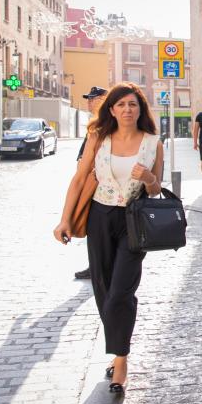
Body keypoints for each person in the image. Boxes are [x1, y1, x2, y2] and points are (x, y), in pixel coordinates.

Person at [53, 82, 163, 394]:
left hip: (134, 221)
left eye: (133, 104)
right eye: (121, 105)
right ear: (111, 110)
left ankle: (121, 360)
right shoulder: (98, 138)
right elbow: (78, 179)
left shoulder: (153, 142)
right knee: (102, 289)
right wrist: (64, 219)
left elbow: (156, 190)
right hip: (100, 218)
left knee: (120, 293)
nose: (127, 110)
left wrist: (150, 178)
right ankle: (117, 351)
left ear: (140, 109)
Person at [74, 86, 108, 280]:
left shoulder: (104, 123)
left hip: (97, 184)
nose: (89, 102)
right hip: (89, 180)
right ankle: (95, 265)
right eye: (88, 99)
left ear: (103, 99)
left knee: (95, 227)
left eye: (92, 98)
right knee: (91, 226)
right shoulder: (95, 123)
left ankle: (98, 266)